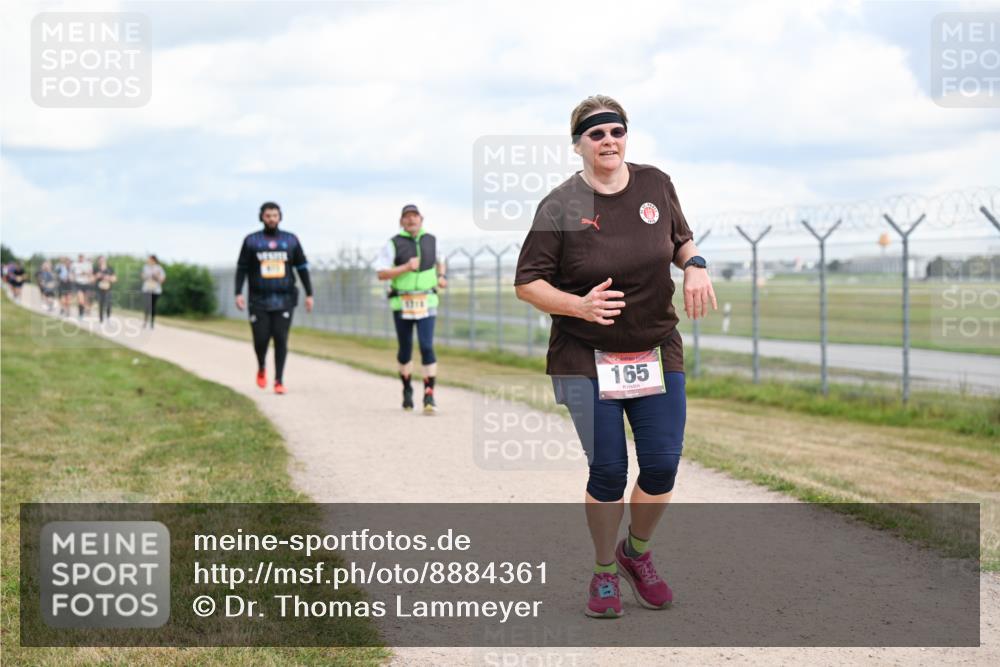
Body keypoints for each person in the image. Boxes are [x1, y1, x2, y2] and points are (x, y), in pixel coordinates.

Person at [513, 95, 716, 619]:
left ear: (627, 137)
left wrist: (695, 265)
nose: (608, 141)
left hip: (654, 348)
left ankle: (636, 555)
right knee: (607, 470)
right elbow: (528, 284)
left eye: (617, 131)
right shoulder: (560, 206)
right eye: (596, 133)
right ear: (578, 143)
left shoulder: (656, 184)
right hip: (586, 355)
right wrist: (577, 305)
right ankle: (604, 570)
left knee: (663, 465)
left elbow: (680, 239)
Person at [235, 202, 314, 395]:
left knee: (281, 339)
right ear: (262, 217)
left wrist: (309, 293)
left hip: (284, 298)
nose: (271, 218)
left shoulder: (291, 240)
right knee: (261, 339)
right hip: (258, 300)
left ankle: (279, 379)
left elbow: (302, 268)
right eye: (268, 215)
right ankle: (261, 365)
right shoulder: (251, 241)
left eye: (275, 215)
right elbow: (242, 269)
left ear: (280, 217)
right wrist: (238, 293)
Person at [375, 204, 447, 413]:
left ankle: (429, 395)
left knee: (426, 346)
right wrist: (406, 267)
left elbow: (441, 261)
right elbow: (381, 274)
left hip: (427, 301)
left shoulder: (432, 240)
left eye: (414, 216)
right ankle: (407, 389)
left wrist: (442, 276)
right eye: (407, 217)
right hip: (402, 303)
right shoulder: (393, 244)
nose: (411, 220)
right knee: (405, 348)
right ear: (401, 221)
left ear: (421, 219)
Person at [141, 255, 166, 328]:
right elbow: (142, 277)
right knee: (147, 306)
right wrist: (146, 276)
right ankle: (145, 322)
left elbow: (162, 280)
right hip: (147, 289)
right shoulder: (145, 267)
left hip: (156, 290)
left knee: (153, 306)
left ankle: (152, 323)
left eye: (149, 259)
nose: (148, 261)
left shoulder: (159, 268)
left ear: (153, 260)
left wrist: (156, 276)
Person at [94, 256, 117, 323]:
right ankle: (101, 319)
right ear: (98, 261)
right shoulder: (96, 269)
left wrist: (108, 278)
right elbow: (91, 279)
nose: (101, 261)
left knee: (109, 303)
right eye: (100, 260)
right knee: (101, 303)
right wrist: (97, 276)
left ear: (105, 260)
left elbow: (115, 279)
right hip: (99, 289)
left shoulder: (110, 268)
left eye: (103, 260)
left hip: (108, 289)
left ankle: (108, 317)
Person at [71, 254, 94, 318]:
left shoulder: (88, 264)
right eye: (80, 257)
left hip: (86, 284)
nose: (81, 258)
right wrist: (73, 278)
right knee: (81, 300)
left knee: (86, 300)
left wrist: (86, 274)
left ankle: (86, 309)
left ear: (84, 257)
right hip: (78, 283)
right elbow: (72, 273)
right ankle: (81, 314)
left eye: (82, 257)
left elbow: (91, 273)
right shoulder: (74, 264)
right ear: (78, 257)